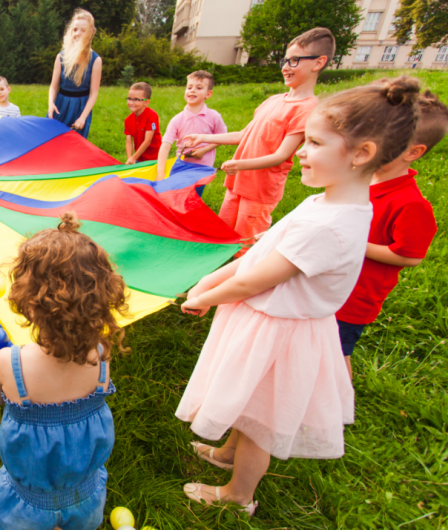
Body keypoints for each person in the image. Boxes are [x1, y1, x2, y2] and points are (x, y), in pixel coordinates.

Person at [176, 77, 421, 515]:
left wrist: (206, 296)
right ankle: (229, 451)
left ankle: (237, 495)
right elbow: (264, 252)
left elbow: (258, 280)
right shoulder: (329, 204)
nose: (301, 152)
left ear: (361, 154)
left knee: (260, 424)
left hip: (279, 335)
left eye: (313, 143)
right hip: (271, 322)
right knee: (246, 405)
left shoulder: (330, 224)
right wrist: (210, 283)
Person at [0, 212, 128, 529]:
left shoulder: (10, 362)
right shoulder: (101, 355)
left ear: (29, 303)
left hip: (25, 504)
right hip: (86, 496)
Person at [182, 27, 334, 256]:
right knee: (224, 236)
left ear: (318, 63)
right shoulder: (273, 100)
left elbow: (282, 155)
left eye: (294, 61)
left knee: (246, 245)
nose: (285, 67)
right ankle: (217, 277)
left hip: (260, 191)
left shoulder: (307, 108)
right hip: (238, 183)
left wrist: (239, 164)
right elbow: (245, 134)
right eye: (285, 60)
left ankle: (240, 284)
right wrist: (204, 137)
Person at [335, 89, 447, 377]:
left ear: (413, 151)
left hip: (354, 299)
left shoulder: (410, 204)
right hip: (330, 285)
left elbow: (409, 256)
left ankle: (338, 408)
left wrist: (356, 244)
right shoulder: (359, 180)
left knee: (335, 353)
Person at [156, 71, 227, 180]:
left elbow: (223, 137)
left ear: (208, 94)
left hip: (203, 169)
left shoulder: (214, 116)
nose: (192, 90)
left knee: (195, 195)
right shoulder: (177, 120)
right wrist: (160, 172)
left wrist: (205, 149)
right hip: (181, 167)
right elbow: (165, 146)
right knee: (179, 195)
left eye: (199, 88)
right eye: (189, 87)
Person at [47, 8, 102, 138]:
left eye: (83, 30)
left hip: (80, 108)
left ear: (91, 33)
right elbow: (54, 86)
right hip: (60, 105)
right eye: (75, 29)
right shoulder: (61, 56)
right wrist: (51, 104)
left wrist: (83, 117)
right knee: (52, 142)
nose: (77, 33)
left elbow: (94, 93)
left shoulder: (96, 60)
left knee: (75, 147)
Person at [124, 82, 161, 166]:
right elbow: (129, 142)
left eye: (136, 99)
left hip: (155, 158)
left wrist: (133, 158)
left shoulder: (152, 115)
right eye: (129, 98)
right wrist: (130, 159)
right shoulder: (128, 120)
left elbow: (147, 141)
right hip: (139, 159)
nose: (131, 102)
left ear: (146, 102)